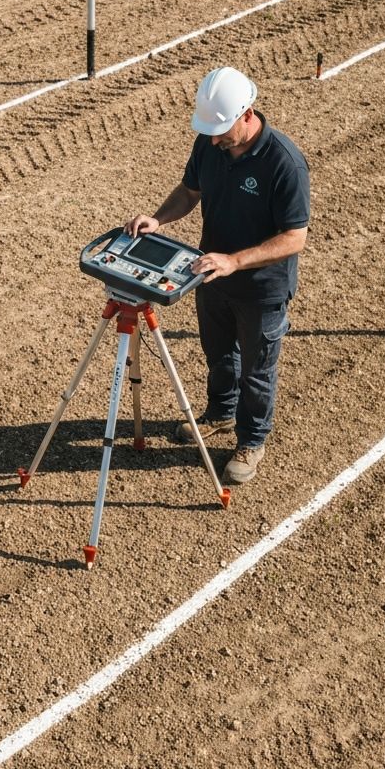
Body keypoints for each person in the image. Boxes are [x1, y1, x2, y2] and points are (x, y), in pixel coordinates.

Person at [124, 66, 310, 485]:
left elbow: (294, 237)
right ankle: (221, 413)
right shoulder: (210, 144)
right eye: (210, 131)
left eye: (222, 131)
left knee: (257, 371)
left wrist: (234, 261)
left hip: (262, 289)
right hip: (211, 276)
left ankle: (252, 438)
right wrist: (159, 218)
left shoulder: (284, 163)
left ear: (247, 113)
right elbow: (190, 192)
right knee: (218, 352)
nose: (214, 140)